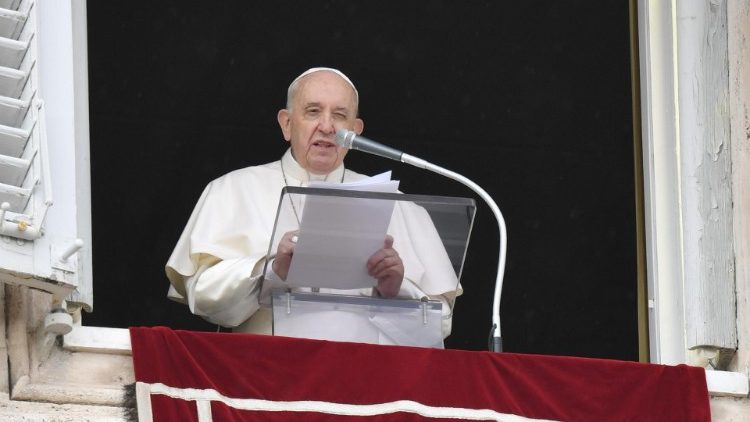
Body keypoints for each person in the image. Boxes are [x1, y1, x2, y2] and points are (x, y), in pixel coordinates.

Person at [165, 67, 461, 343]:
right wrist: (271, 270)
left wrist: (395, 291)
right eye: (313, 111)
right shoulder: (232, 190)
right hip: (266, 381)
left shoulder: (402, 207)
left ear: (355, 130)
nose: (328, 126)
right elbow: (201, 295)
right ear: (287, 123)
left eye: (340, 115)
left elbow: (440, 325)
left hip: (368, 386)